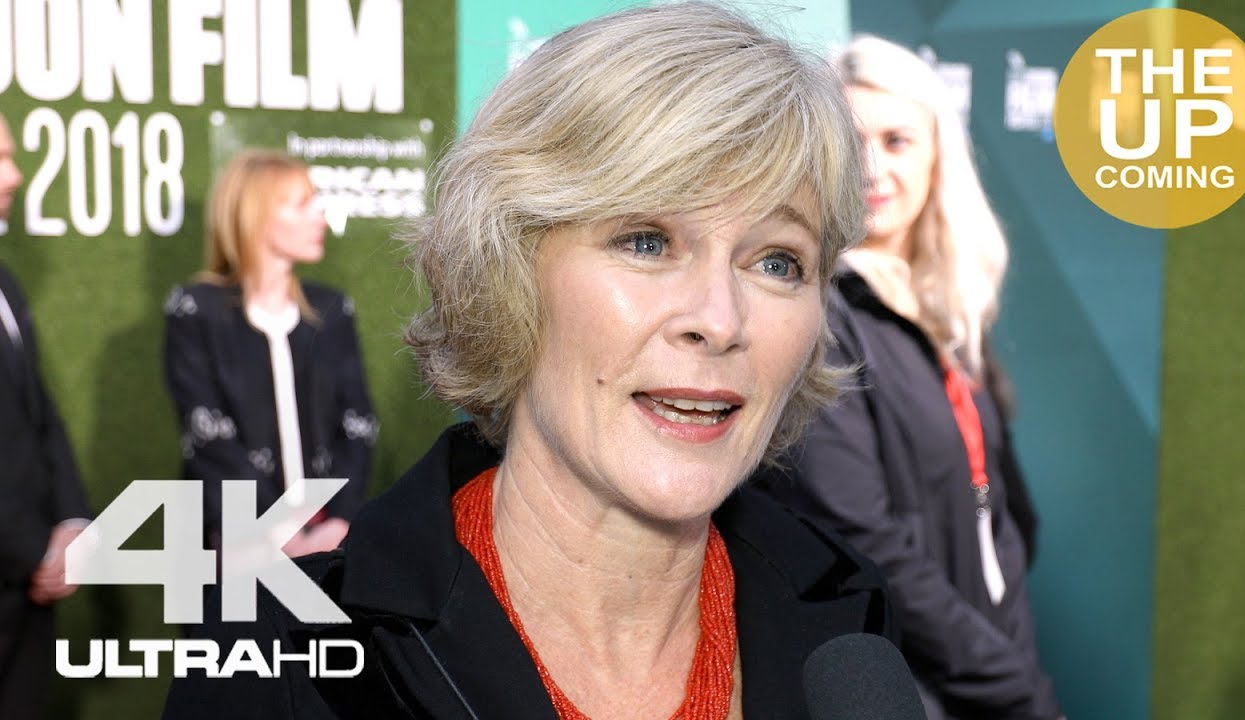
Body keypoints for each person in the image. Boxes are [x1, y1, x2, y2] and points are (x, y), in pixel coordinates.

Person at [163, 3, 899, 718]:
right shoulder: (286, 661)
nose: (719, 320)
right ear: (507, 271)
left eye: (776, 262)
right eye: (646, 242)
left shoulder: (846, 627)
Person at [757, 35, 1062, 720]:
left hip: (984, 680)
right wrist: (1016, 692)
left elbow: (997, 522)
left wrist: (1011, 672)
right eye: (852, 142)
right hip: (904, 690)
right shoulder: (815, 314)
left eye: (897, 141)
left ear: (936, 158)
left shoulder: (945, 315)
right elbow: (865, 543)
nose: (873, 168)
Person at [163, 149, 376, 557]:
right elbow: (207, 432)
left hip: (328, 538)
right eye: (302, 204)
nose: (321, 216)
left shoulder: (332, 310)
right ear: (254, 215)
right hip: (231, 542)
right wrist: (274, 531)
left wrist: (339, 521)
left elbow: (359, 423)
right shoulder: (195, 310)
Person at [0, 111, 92, 717]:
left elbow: (40, 417)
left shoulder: (6, 285)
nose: (15, 176)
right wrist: (34, 551)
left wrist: (71, 525)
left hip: (31, 594)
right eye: (0, 160)